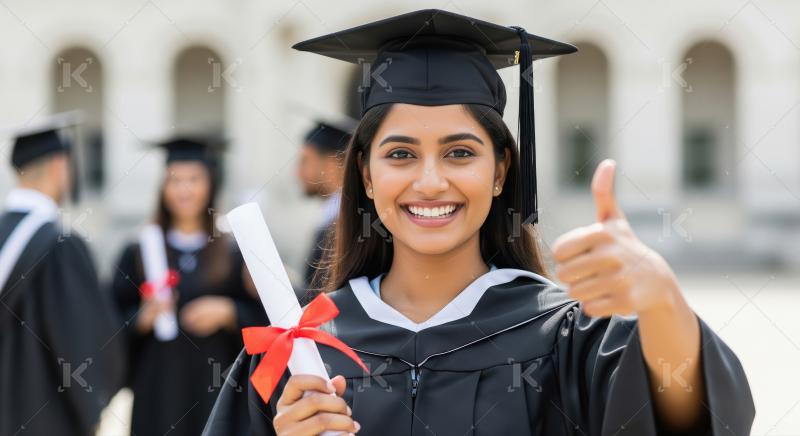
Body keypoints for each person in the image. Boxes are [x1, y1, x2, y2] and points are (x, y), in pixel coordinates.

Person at [203, 9, 755, 436]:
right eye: (399, 155)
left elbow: (692, 418)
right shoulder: (295, 348)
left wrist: (661, 300)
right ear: (366, 178)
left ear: (500, 172)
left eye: (460, 152)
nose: (430, 181)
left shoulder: (566, 337)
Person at [111, 138, 264, 436]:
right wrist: (140, 320)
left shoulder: (234, 252)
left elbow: (266, 319)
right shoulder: (139, 250)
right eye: (175, 180)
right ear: (162, 188)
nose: (184, 189)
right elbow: (108, 322)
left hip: (216, 388)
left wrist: (229, 312)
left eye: (194, 179)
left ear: (211, 185)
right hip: (157, 391)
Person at [0, 113, 125, 435]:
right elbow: (83, 344)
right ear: (59, 166)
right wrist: (93, 406)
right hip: (46, 419)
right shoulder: (60, 245)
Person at [296, 118, 356, 299]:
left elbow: (329, 300)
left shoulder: (349, 224)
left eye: (305, 161)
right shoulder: (331, 218)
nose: (297, 172)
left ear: (331, 165)